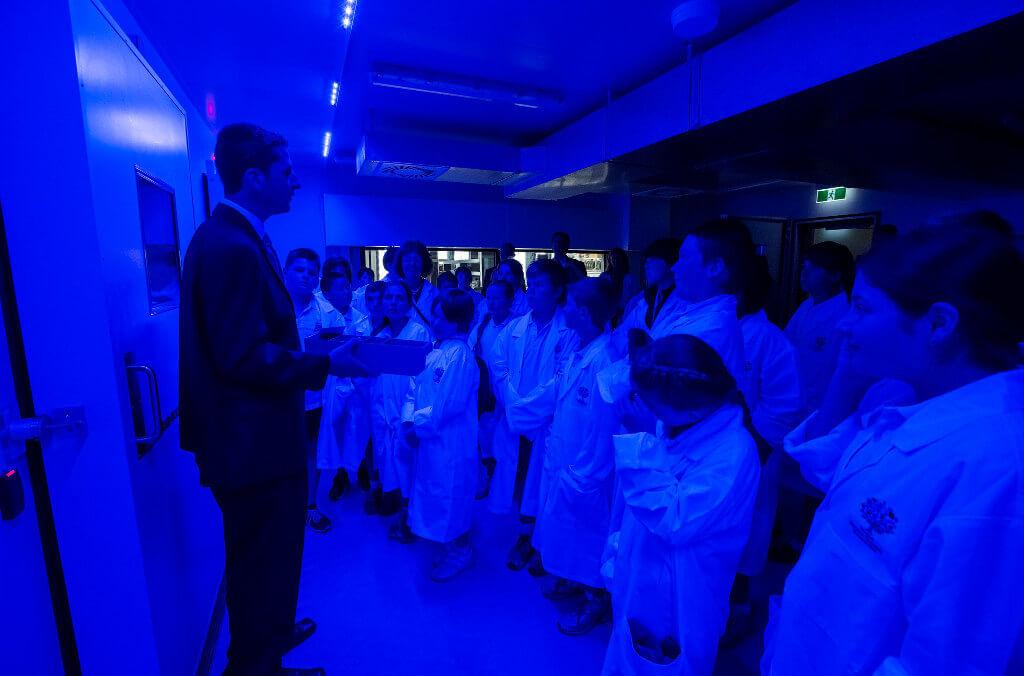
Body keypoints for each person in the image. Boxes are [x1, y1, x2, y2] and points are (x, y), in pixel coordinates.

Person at [762, 220, 1024, 675]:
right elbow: (823, 473)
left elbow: (943, 663)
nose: (844, 323)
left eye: (862, 308)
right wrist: (847, 375)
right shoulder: (904, 399)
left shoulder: (998, 468)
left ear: (939, 323)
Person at [180, 123, 368, 675]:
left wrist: (310, 350)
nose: (296, 184)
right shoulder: (232, 246)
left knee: (262, 567)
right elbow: (243, 357)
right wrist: (325, 361)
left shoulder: (231, 237)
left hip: (247, 443)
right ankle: (256, 665)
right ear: (255, 176)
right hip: (253, 448)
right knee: (263, 567)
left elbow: (244, 342)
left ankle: (265, 656)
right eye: (288, 173)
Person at [602, 334, 761, 675]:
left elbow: (673, 519)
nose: (643, 410)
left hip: (678, 605)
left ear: (688, 406)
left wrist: (638, 439)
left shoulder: (733, 454)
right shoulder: (677, 421)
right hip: (643, 583)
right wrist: (618, 553)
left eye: (651, 405)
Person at [510, 278, 620, 635]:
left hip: (587, 471)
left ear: (584, 312)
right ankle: (575, 582)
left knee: (589, 535)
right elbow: (555, 391)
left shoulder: (605, 359)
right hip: (563, 456)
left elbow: (604, 432)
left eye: (569, 303)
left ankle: (596, 602)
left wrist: (586, 475)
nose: (564, 309)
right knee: (568, 532)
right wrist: (518, 406)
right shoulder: (577, 345)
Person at [491, 259, 578, 574]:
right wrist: (513, 402)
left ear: (557, 291)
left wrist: (526, 407)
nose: (531, 290)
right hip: (515, 420)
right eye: (530, 282)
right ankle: (527, 536)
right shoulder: (515, 327)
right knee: (520, 481)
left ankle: (540, 544)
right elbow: (498, 367)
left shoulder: (569, 330)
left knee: (543, 483)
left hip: (546, 423)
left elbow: (564, 378)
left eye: (540, 284)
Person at [401, 290, 480, 581]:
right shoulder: (437, 349)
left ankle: (459, 552)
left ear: (456, 321)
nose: (433, 320)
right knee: (435, 493)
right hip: (431, 441)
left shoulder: (460, 356)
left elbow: (448, 406)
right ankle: (448, 547)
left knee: (449, 498)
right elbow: (415, 385)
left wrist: (415, 425)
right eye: (434, 314)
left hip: (450, 445)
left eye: (440, 316)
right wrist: (409, 420)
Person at [283, 247, 339, 534]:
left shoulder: (326, 313)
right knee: (279, 452)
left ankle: (310, 506)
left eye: (311, 272)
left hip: (314, 397)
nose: (305, 276)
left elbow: (336, 353)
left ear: (317, 279)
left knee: (312, 451)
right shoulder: (271, 308)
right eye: (299, 270)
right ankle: (282, 507)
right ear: (285, 271)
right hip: (279, 398)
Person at [370, 280, 432, 519]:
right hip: (380, 406)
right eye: (389, 298)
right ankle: (390, 494)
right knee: (384, 452)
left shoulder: (418, 332)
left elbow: (423, 377)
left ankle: (410, 510)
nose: (393, 303)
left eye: (399, 298)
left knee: (408, 457)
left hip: (407, 406)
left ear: (408, 304)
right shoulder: (377, 332)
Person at [316, 262, 372, 501]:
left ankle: (358, 467)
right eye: (340, 287)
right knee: (336, 430)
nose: (347, 291)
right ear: (327, 292)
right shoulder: (322, 317)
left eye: (348, 286)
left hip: (357, 384)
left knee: (358, 427)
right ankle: (340, 475)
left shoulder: (361, 318)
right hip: (333, 384)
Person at [784, 240, 855, 416]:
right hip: (791, 405)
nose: (804, 274)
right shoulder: (805, 307)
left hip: (822, 411)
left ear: (836, 274)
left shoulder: (846, 318)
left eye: (813, 269)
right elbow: (785, 350)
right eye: (803, 267)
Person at [469, 280, 517, 498]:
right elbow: (471, 355)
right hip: (484, 395)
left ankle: (507, 486)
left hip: (507, 397)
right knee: (484, 437)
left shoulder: (517, 327)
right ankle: (488, 477)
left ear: (510, 301)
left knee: (505, 442)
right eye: (489, 297)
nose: (491, 302)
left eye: (497, 297)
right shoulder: (483, 325)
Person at [612, 238, 685, 355]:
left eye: (654, 258)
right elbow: (619, 336)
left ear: (673, 262)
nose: (647, 265)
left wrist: (639, 345)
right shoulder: (644, 300)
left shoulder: (686, 302)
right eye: (646, 260)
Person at [397, 240, 438, 326]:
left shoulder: (435, 294)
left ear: (424, 263)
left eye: (417, 259)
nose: (412, 264)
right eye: (408, 259)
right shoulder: (390, 293)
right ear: (400, 263)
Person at [475, 258, 529, 324]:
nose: (503, 278)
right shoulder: (484, 303)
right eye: (501, 273)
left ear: (517, 277)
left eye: (508, 274)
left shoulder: (527, 303)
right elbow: (478, 327)